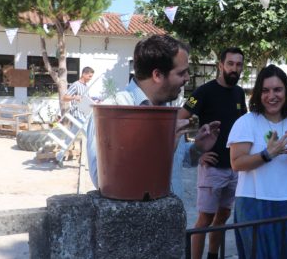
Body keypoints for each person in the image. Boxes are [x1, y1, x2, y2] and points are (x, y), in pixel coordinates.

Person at [86, 34, 220, 202]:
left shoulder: (168, 109)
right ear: (157, 75)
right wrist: (163, 147)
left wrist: (197, 148)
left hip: (171, 220)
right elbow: (105, 181)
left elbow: (178, 161)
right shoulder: (110, 111)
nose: (187, 78)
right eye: (181, 73)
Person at [227, 64, 287, 259]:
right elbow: (237, 163)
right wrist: (267, 154)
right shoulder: (246, 122)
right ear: (258, 93)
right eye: (265, 90)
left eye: (277, 89)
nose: (271, 96)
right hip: (253, 203)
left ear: (286, 92)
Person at [178, 47, 247, 259]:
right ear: (220, 65)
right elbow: (179, 118)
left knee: (223, 217)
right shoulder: (203, 92)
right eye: (230, 64)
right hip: (211, 168)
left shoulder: (239, 93)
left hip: (234, 169)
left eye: (238, 65)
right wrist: (197, 153)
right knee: (204, 220)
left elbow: (243, 124)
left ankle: (213, 256)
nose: (234, 69)